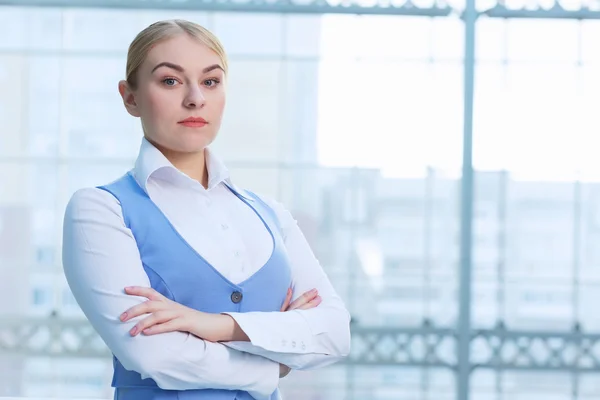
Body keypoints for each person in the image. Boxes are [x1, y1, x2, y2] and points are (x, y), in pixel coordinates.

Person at [61, 19, 351, 400]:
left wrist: (216, 325)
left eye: (211, 81)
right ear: (130, 97)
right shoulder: (100, 210)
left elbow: (334, 334)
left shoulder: (270, 214)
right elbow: (151, 354)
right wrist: (275, 362)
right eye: (170, 81)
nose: (195, 98)